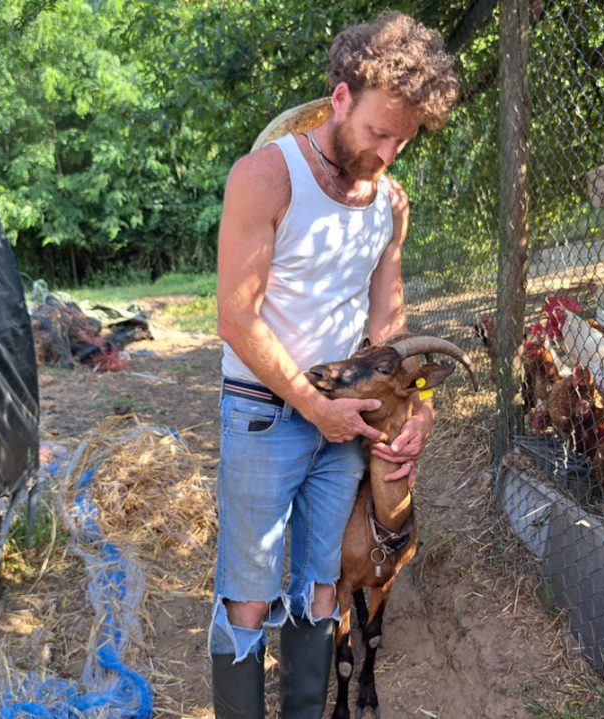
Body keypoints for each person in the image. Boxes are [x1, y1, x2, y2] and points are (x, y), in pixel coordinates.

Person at [211, 11, 459, 718]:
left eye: (403, 140)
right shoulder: (266, 175)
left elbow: (387, 329)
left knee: (323, 586)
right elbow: (236, 316)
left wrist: (419, 410)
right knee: (251, 593)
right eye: (378, 131)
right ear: (341, 97)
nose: (387, 152)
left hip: (344, 416)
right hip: (264, 411)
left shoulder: (390, 204)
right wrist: (311, 405)